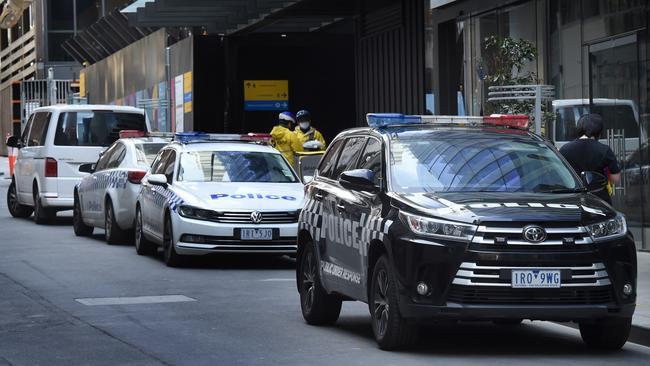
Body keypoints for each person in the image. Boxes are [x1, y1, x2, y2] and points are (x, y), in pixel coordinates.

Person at [559, 113, 621, 204]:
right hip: (599, 198)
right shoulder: (604, 150)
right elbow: (616, 179)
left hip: (572, 198)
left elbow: (560, 176)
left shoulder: (565, 149)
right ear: (599, 132)